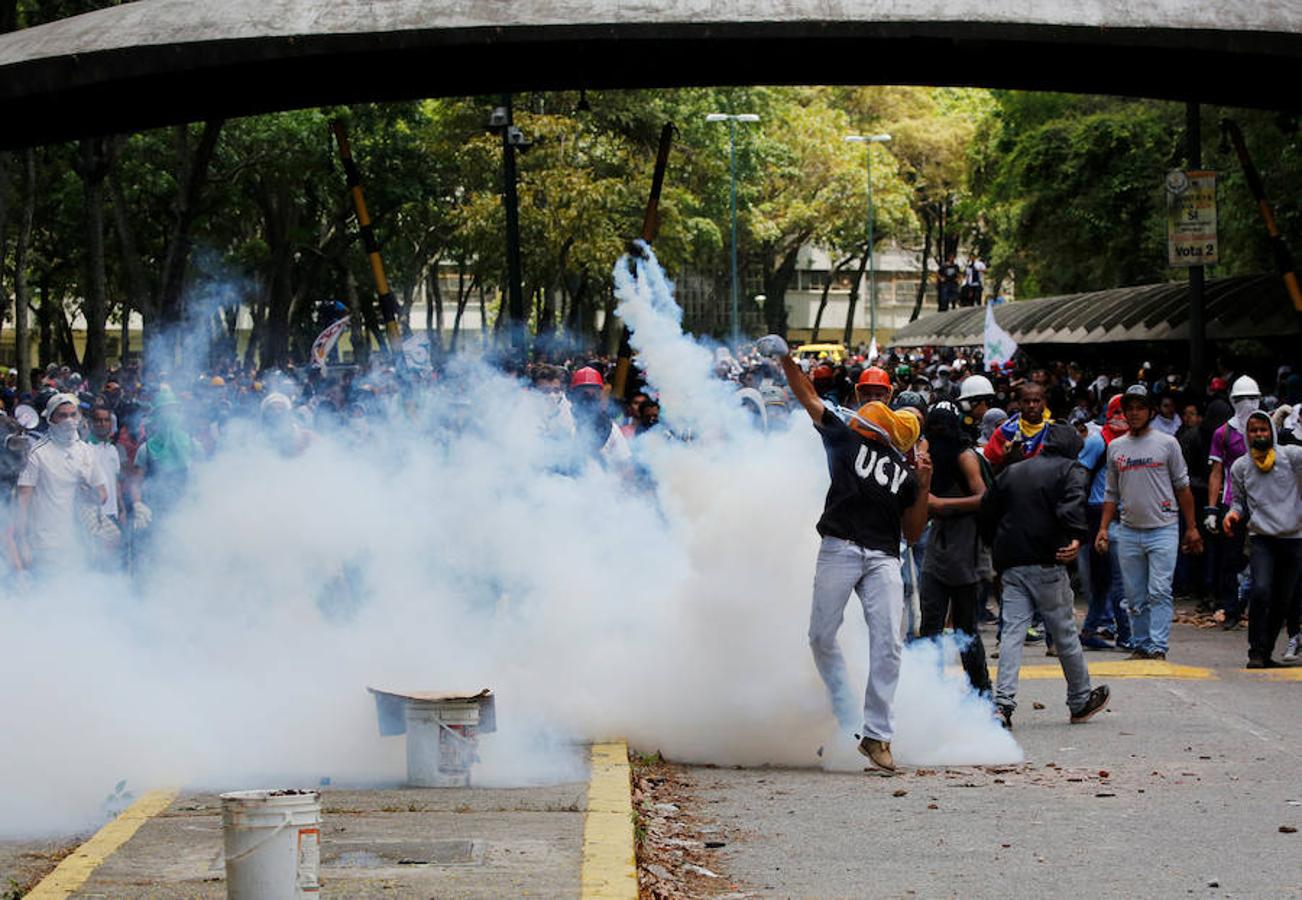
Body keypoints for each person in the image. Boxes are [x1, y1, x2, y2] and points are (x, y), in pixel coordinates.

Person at [757, 333, 928, 772]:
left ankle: (877, 735)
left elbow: (913, 532)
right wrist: (787, 359)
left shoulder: (907, 472)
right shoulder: (843, 437)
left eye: (882, 400)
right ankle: (847, 711)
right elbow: (808, 396)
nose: (875, 405)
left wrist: (924, 483)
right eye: (869, 397)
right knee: (820, 636)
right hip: (840, 546)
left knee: (889, 641)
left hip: (884, 555)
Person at [979, 422, 1110, 728]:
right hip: (1048, 561)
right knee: (1063, 633)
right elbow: (1072, 507)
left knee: (1012, 633)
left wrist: (996, 546)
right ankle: (1079, 700)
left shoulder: (1014, 471)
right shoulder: (1071, 470)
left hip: (1012, 564)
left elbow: (987, 510)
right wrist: (1076, 537)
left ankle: (1003, 706)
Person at [1095, 385, 1203, 661]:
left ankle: (1157, 646)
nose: (1133, 413)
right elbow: (1111, 492)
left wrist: (1191, 528)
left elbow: (1183, 488)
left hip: (1164, 527)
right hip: (1129, 529)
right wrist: (1104, 528)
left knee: (1159, 590)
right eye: (1128, 408)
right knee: (1133, 595)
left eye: (1139, 408)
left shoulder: (1167, 444)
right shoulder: (1116, 447)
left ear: (1151, 411)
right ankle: (1140, 644)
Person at [919, 406, 991, 695]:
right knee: (930, 629)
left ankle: (982, 695)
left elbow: (984, 498)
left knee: (966, 631)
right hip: (938, 549)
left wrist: (942, 506)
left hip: (966, 551)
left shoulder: (965, 456)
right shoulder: (929, 450)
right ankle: (929, 695)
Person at [1223, 411, 1302, 668]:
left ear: (1272, 431)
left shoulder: (1291, 456)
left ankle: (1265, 653)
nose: (1259, 434)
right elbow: (1238, 501)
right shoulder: (1241, 467)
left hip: (1294, 537)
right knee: (1260, 590)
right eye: (1253, 430)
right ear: (1247, 434)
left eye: (1263, 429)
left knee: (1283, 598)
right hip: (1262, 538)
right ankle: (1255, 652)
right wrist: (1232, 514)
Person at [14, 393, 107, 571]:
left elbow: (103, 494)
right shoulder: (37, 453)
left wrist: (90, 494)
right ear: (50, 418)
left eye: (73, 415)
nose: (69, 420)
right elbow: (23, 502)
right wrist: (22, 541)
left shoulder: (86, 451)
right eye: (62, 415)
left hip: (81, 541)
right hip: (47, 543)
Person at [1075, 394, 1132, 651]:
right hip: (1100, 514)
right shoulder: (1099, 442)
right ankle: (1126, 635)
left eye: (1126, 411)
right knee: (1119, 580)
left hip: (1125, 514)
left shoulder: (1133, 442)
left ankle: (1089, 629)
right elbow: (1078, 476)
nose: (1122, 417)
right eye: (1117, 411)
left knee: (1107, 580)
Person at [1205, 375, 1260, 629]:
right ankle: (1231, 608)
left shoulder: (1265, 427)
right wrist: (1212, 508)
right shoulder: (1223, 433)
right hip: (1232, 503)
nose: (1247, 403)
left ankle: (1260, 607)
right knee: (1231, 558)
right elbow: (1216, 472)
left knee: (1263, 556)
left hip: (1264, 502)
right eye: (1241, 399)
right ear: (1232, 401)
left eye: (1252, 398)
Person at [983, 382, 1051, 472]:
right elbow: (991, 472)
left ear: (1044, 403)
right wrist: (1007, 458)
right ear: (1019, 403)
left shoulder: (1055, 431)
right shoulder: (1003, 432)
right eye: (1026, 401)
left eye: (1036, 401)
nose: (1031, 405)